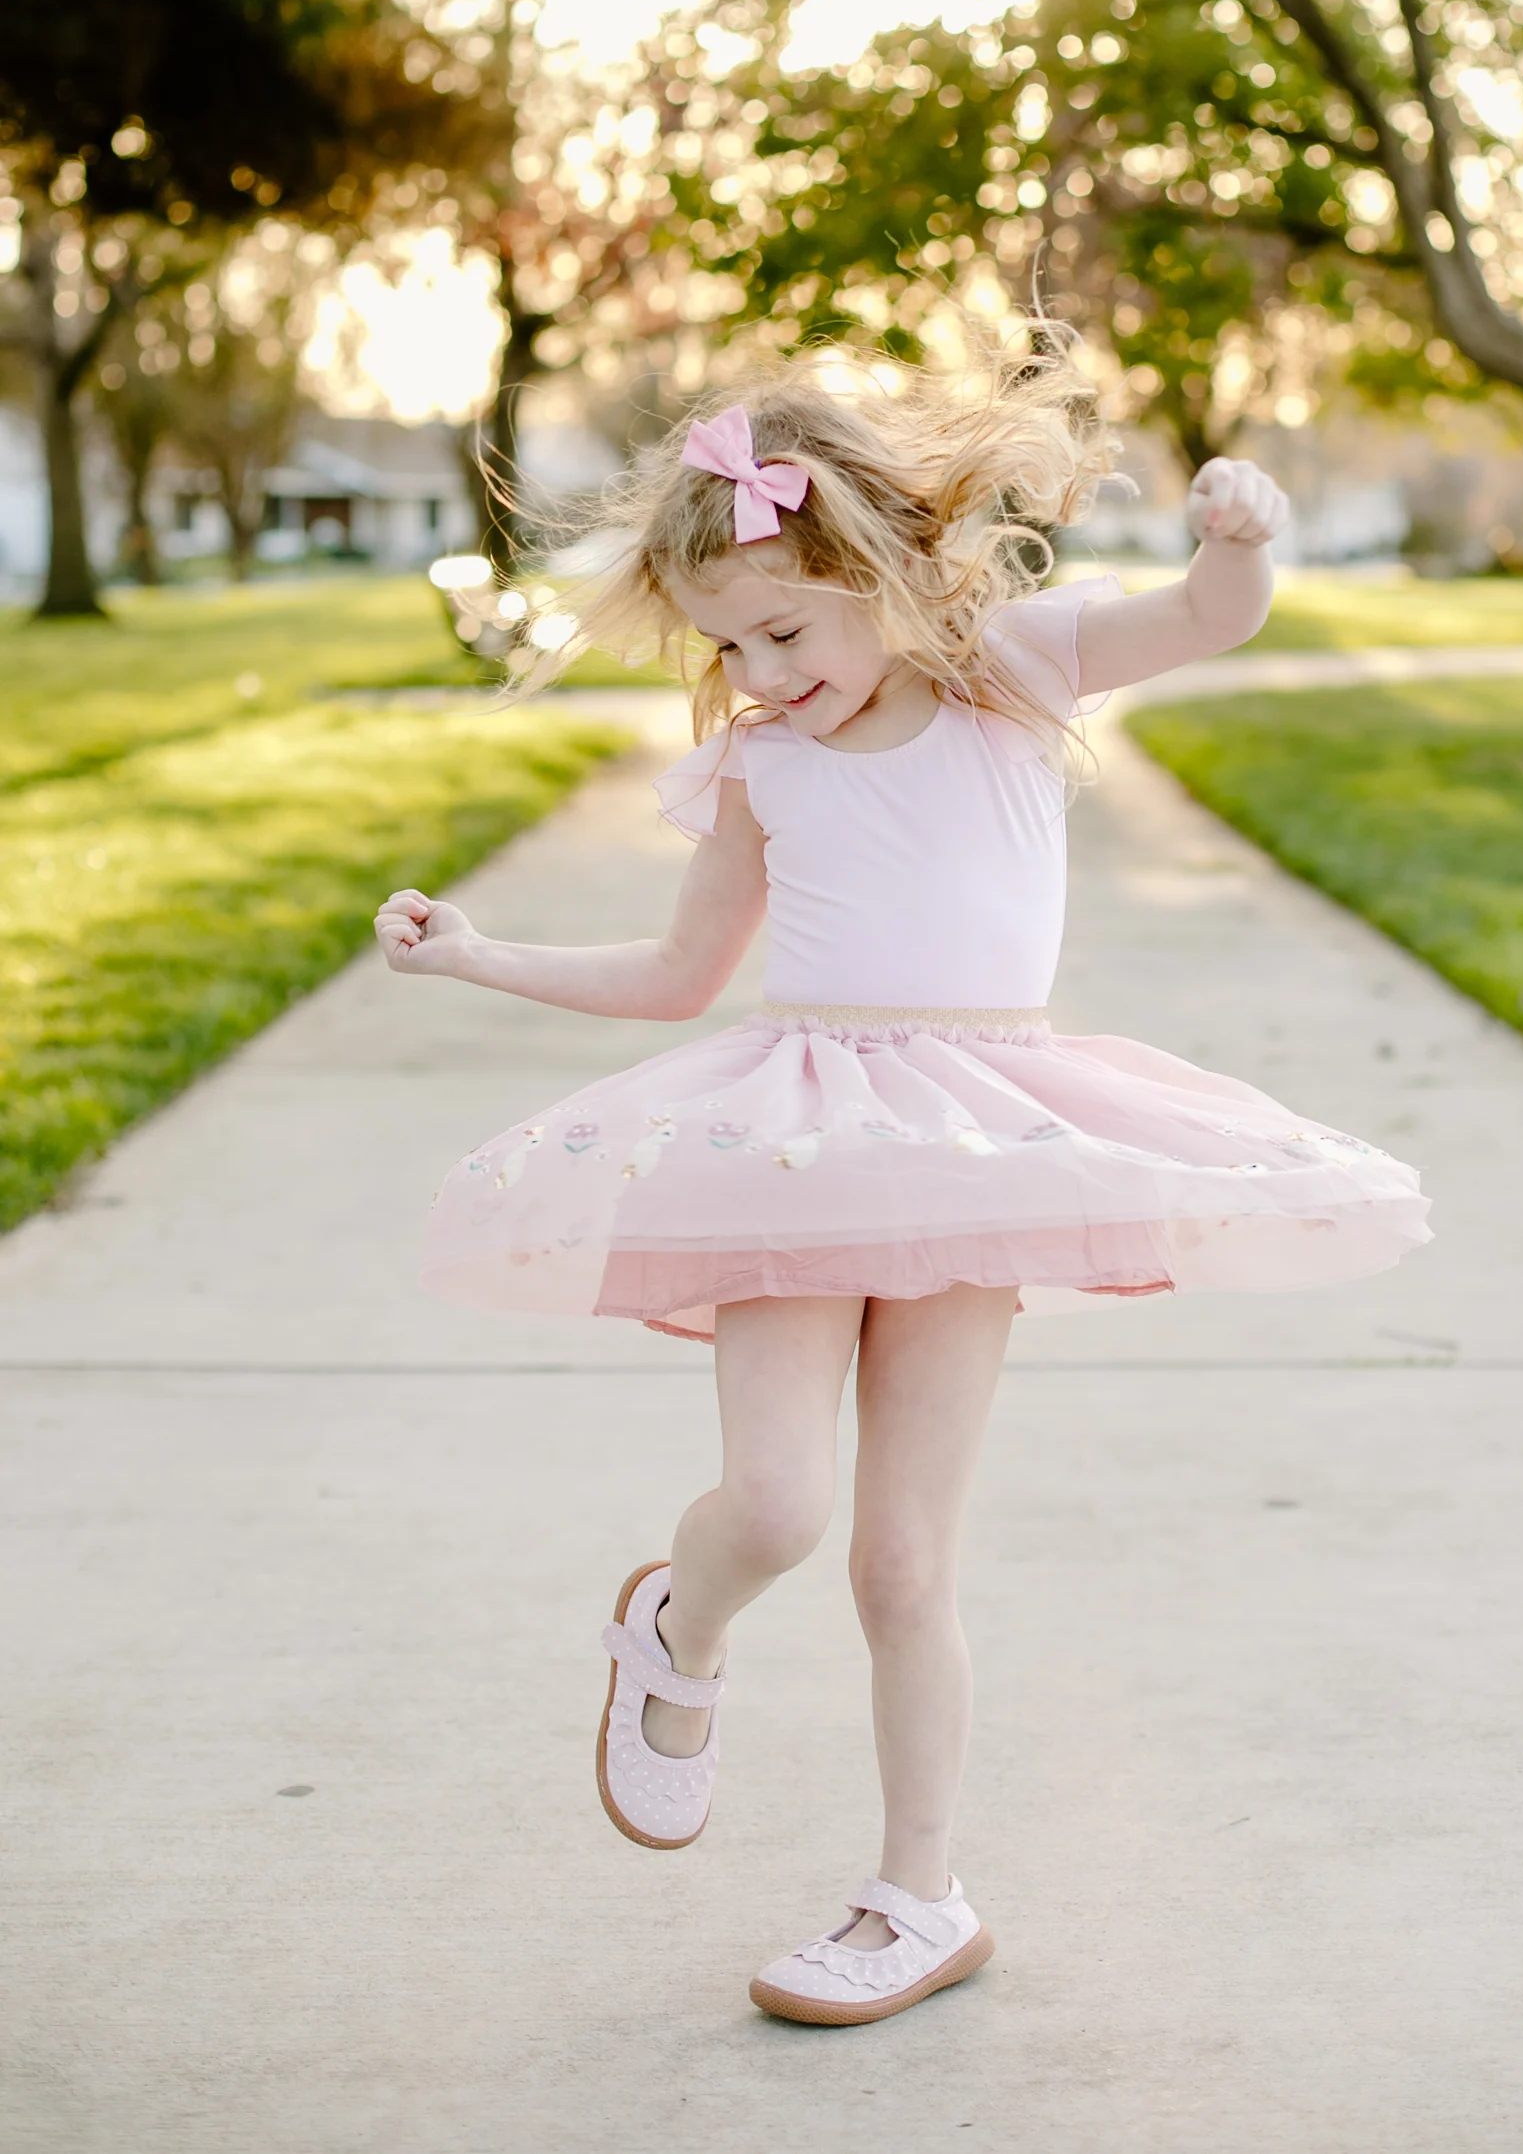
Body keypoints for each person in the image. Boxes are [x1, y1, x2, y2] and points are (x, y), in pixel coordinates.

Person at [374, 347, 1430, 2028]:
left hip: (973, 1148)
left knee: (900, 1563)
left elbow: (1204, 620)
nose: (759, 671)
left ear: (876, 569)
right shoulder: (762, 766)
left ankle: (920, 1894)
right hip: (793, 1145)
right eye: (728, 644)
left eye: (785, 631)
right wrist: (480, 953)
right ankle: (677, 1622)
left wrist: (1239, 537)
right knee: (778, 1507)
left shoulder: (1019, 670)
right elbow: (672, 977)